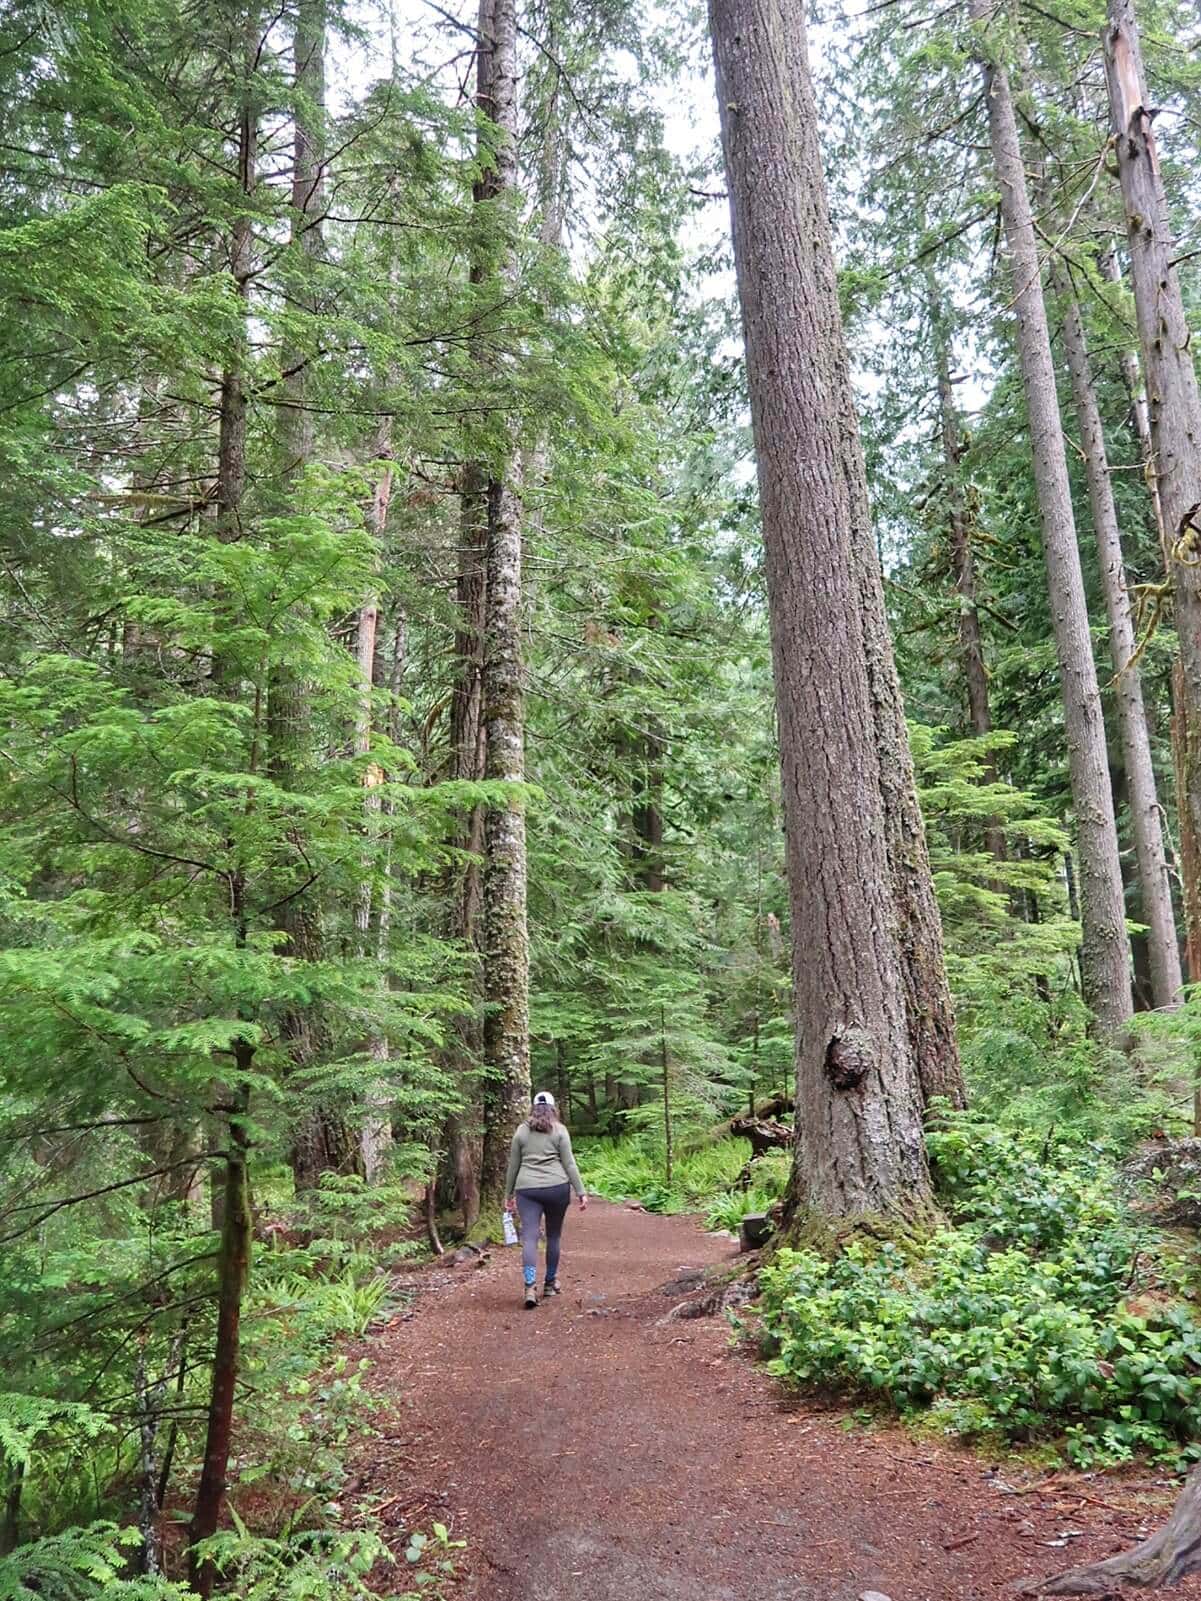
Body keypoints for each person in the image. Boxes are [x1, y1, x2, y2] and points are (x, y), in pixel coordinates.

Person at [504, 1091, 587, 1308]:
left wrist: (508, 1194)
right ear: (552, 1108)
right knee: (554, 1236)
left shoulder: (521, 1131)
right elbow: (569, 1164)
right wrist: (581, 1191)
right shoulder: (560, 1130)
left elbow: (513, 1166)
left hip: (527, 1189)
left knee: (530, 1237)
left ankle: (530, 1286)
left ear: (533, 1108)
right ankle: (550, 1283)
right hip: (556, 1188)